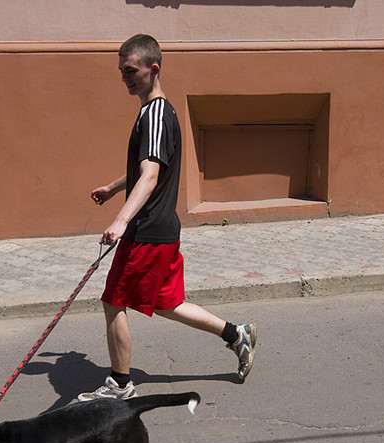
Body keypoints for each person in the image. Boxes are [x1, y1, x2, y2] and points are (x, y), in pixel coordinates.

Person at [79, 34, 256, 401]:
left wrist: (121, 220)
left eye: (131, 71)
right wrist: (114, 188)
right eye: (121, 71)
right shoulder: (156, 112)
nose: (124, 78)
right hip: (161, 229)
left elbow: (151, 175)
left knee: (113, 301)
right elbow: (147, 166)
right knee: (167, 303)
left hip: (147, 231)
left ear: (153, 68)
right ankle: (235, 334)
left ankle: (120, 384)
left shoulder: (156, 113)